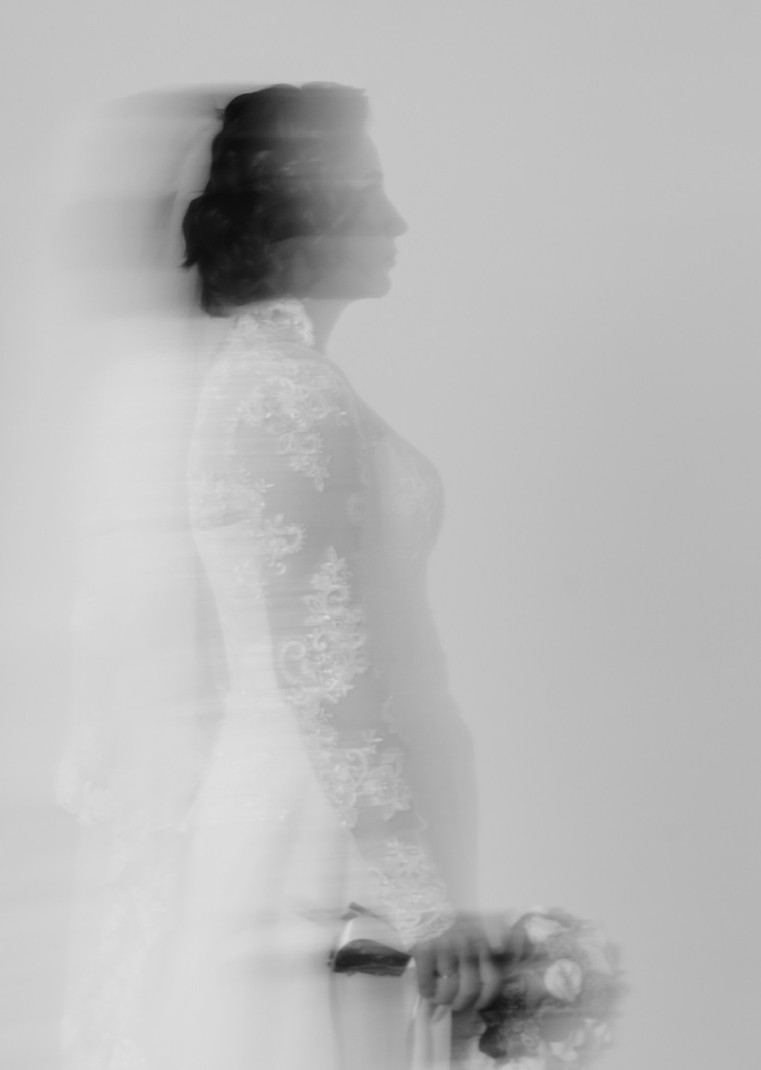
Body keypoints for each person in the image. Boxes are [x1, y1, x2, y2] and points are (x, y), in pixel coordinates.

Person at [57, 83, 493, 1070]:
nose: (397, 221)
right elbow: (325, 671)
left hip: (322, 807)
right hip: (317, 831)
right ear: (306, 213)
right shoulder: (286, 394)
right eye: (369, 194)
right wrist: (426, 902)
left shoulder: (283, 381)